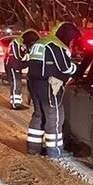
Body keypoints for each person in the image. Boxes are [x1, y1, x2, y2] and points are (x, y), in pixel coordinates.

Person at [26, 20, 80, 157]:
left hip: (33, 83)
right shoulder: (55, 45)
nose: (72, 42)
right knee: (54, 117)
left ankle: (33, 148)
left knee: (39, 115)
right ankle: (55, 151)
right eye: (72, 39)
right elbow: (65, 67)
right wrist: (79, 69)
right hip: (48, 85)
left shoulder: (42, 42)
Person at [6, 30, 37, 109]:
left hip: (16, 65)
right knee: (16, 83)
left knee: (17, 83)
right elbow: (19, 57)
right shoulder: (16, 43)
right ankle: (15, 104)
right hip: (13, 65)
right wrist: (29, 58)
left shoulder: (21, 43)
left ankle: (16, 102)